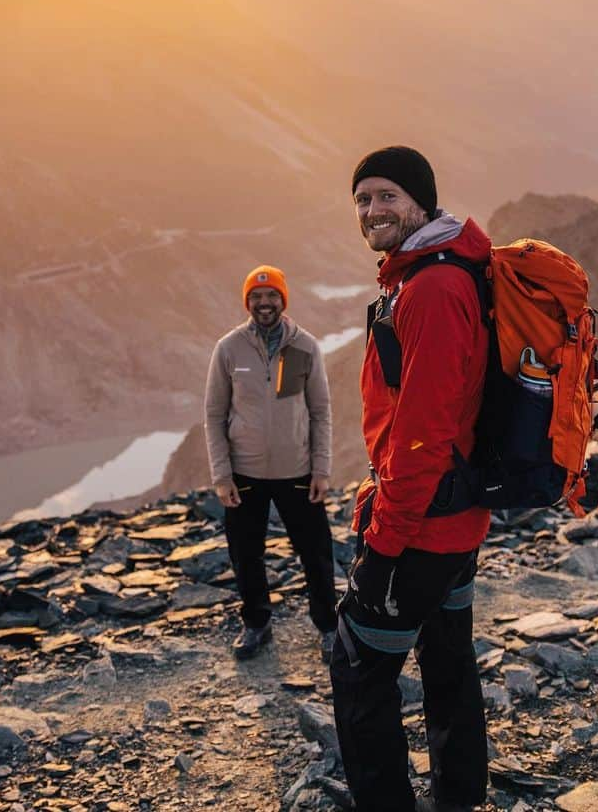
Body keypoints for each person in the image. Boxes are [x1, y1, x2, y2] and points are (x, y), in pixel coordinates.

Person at [330, 147, 491, 812]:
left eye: (386, 195)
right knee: (448, 659)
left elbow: (420, 438)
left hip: (422, 527)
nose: (372, 211)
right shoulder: (444, 270)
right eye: (362, 199)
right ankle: (459, 798)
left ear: (420, 201)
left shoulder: (432, 288)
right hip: (458, 519)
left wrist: (382, 548)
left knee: (358, 667)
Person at [204, 264, 338, 662]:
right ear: (248, 301)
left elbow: (321, 412)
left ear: (283, 299)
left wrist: (322, 468)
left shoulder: (305, 347)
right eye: (257, 297)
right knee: (246, 554)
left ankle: (329, 628)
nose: (264, 303)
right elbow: (213, 415)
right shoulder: (228, 349)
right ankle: (256, 624)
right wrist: (221, 475)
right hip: (244, 474)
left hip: (298, 472)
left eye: (272, 296)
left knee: (316, 554)